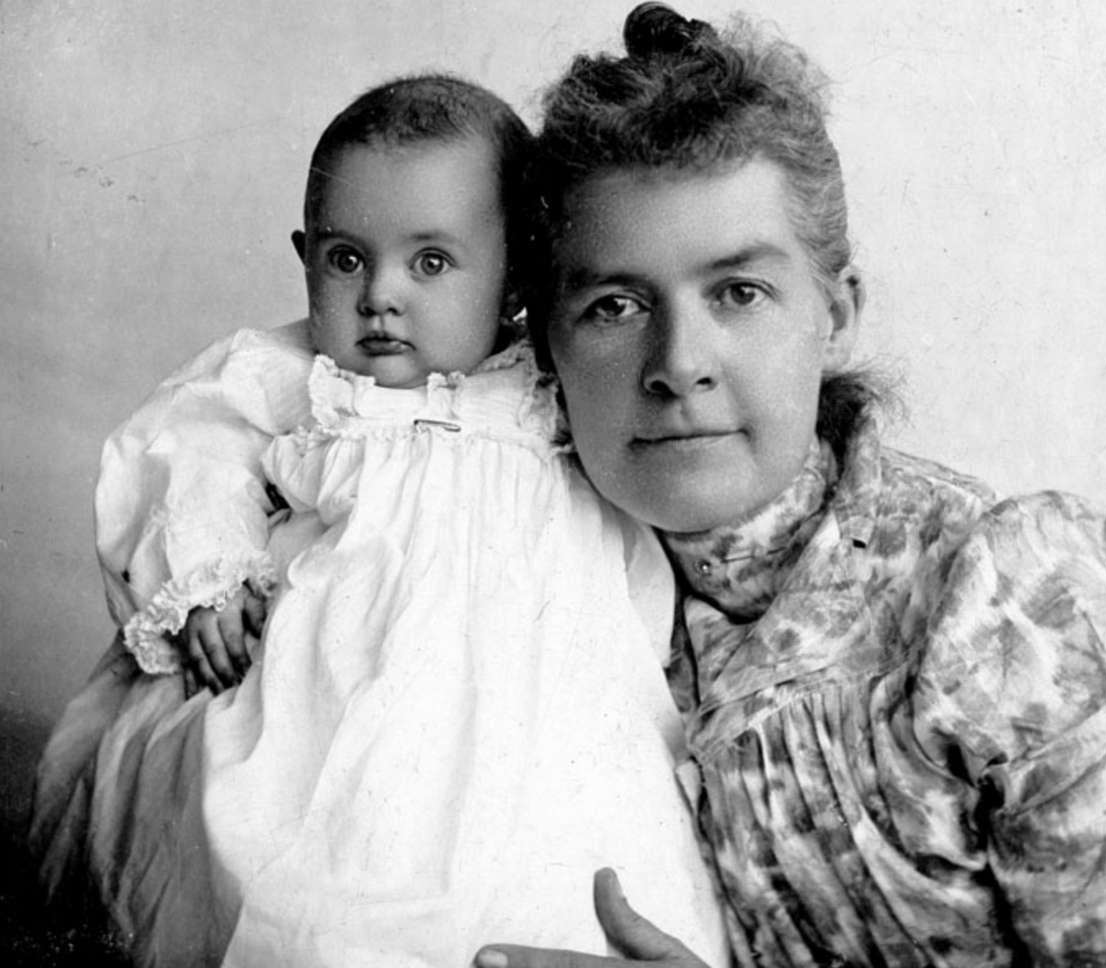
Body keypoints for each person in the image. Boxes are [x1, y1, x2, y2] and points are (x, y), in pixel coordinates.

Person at [473, 4, 1106, 966]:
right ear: (546, 345)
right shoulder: (517, 592)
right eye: (614, 305)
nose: (677, 362)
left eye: (739, 292)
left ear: (835, 311)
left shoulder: (1014, 602)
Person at [29, 74, 728, 968]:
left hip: (542, 715)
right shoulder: (303, 377)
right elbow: (187, 440)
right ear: (304, 254)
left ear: (517, 272)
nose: (380, 296)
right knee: (297, 888)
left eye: (430, 263)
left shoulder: (557, 391)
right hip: (333, 695)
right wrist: (208, 575)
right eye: (346, 258)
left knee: (573, 886)